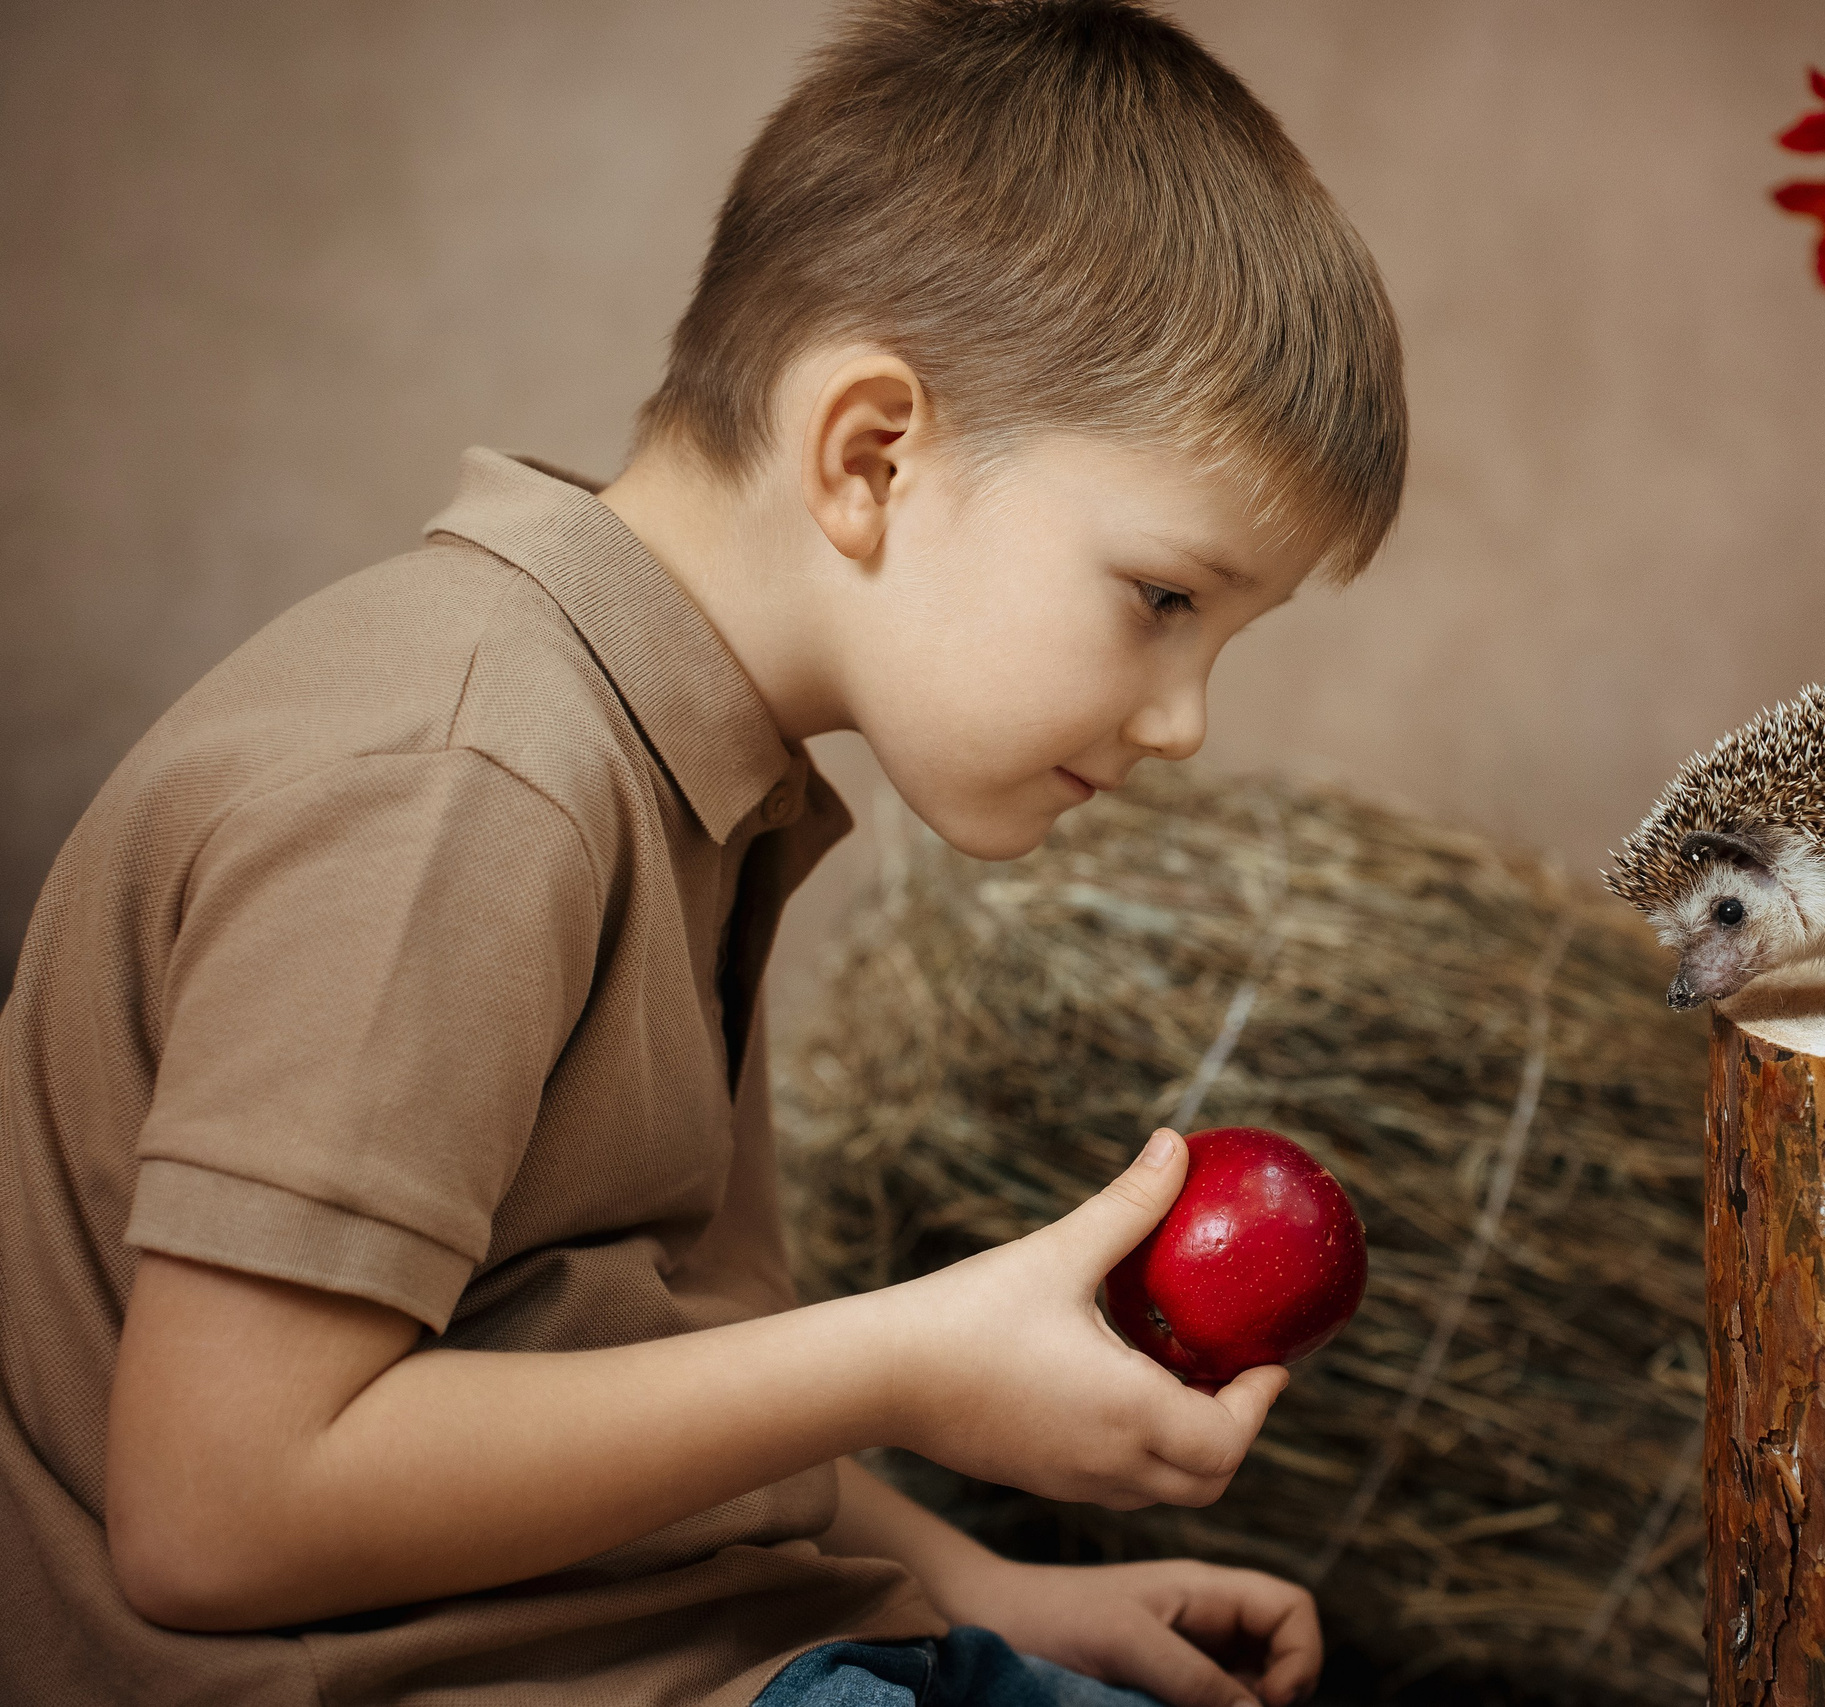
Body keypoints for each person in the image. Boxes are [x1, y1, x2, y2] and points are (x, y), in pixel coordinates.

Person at [0, 3, 1406, 1703]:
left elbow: (609, 1364)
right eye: (1163, 600)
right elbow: (217, 1512)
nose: (1183, 719)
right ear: (872, 454)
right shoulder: (469, 779)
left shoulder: (689, 775)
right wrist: (899, 1364)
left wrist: (984, 1591)